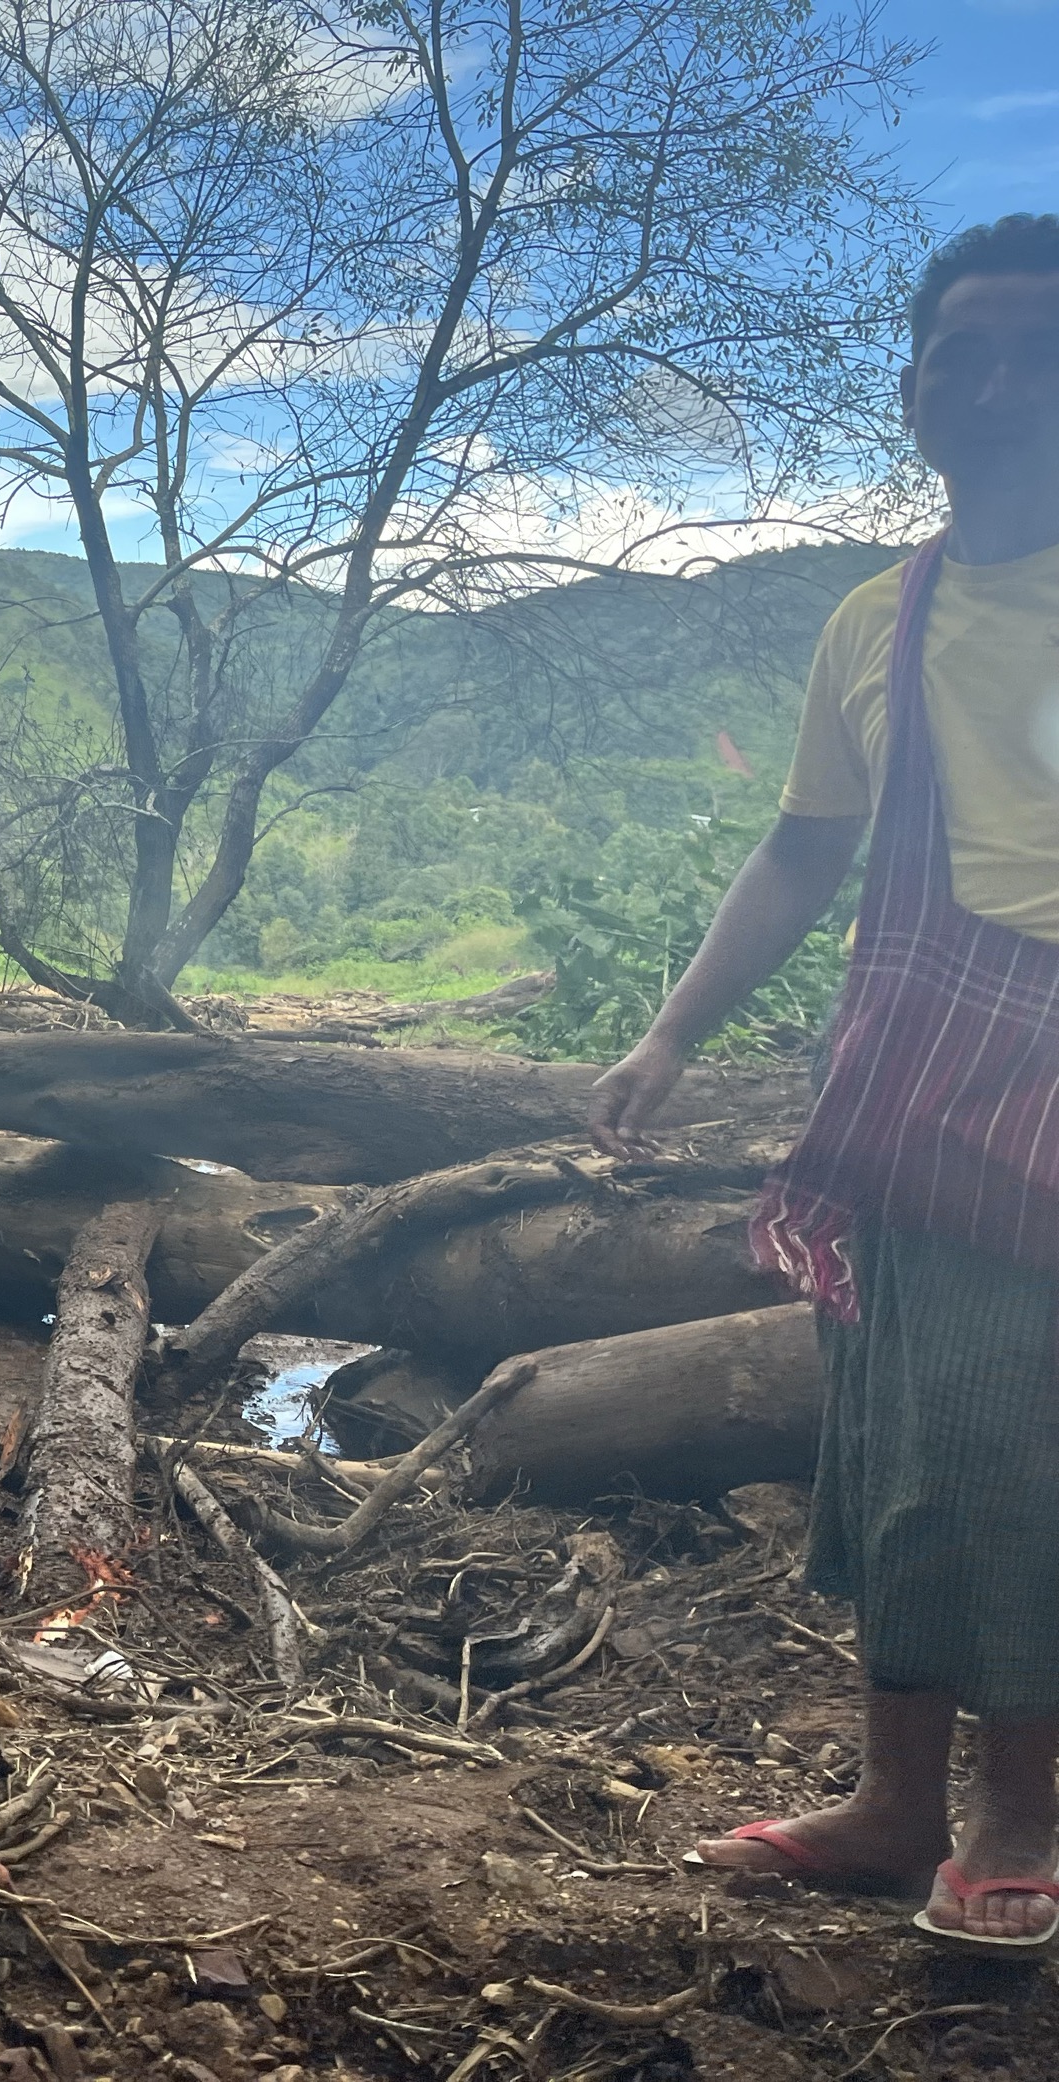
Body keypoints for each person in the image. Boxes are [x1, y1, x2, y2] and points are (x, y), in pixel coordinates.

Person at [588, 213, 1059, 1950]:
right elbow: (803, 850)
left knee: (1017, 1450)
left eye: (1041, 353)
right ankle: (888, 1805)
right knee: (888, 1442)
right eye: (967, 354)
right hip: (903, 1084)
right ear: (918, 386)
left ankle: (1016, 1824)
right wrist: (670, 1033)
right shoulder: (882, 617)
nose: (1000, 385)